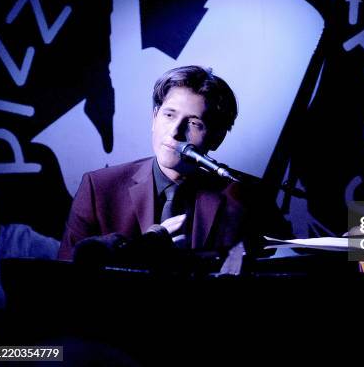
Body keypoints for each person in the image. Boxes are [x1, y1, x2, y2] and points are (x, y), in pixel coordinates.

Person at [58, 66, 290, 266]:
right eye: (169, 115)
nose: (175, 132)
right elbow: (65, 280)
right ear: (154, 118)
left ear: (217, 138)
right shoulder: (98, 188)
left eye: (193, 123)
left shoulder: (247, 198)